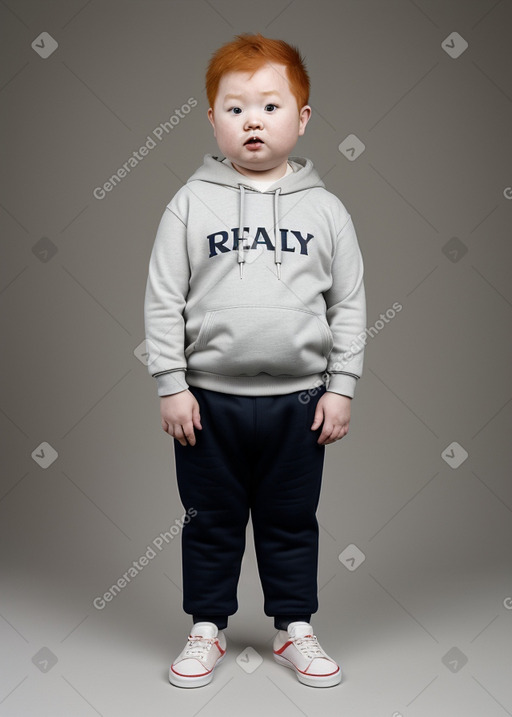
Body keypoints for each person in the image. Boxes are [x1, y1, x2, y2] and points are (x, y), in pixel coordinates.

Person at [144, 32, 366, 689]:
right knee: (209, 520)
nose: (252, 122)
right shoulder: (189, 204)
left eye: (270, 106)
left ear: (300, 119)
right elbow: (162, 300)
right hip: (207, 403)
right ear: (211, 118)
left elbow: (349, 304)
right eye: (235, 108)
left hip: (301, 404)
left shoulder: (327, 211)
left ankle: (293, 626)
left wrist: (342, 386)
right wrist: (171, 384)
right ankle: (206, 626)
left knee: (292, 520)